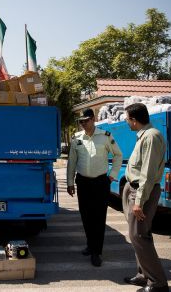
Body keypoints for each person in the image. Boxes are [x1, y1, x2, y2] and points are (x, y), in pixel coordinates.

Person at [67, 108, 122, 267]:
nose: (83, 124)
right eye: (81, 122)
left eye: (86, 121)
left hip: (100, 182)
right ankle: (90, 245)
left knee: (98, 218)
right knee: (86, 216)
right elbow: (71, 162)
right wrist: (70, 182)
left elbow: (118, 155)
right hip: (83, 182)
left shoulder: (105, 137)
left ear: (93, 119)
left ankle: (96, 252)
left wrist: (113, 175)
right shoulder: (77, 138)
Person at [122, 103, 169, 292]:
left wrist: (139, 202)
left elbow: (148, 174)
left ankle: (158, 283)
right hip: (134, 189)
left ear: (134, 120)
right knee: (137, 235)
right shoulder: (144, 136)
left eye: (127, 119)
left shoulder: (151, 137)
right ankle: (144, 275)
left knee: (139, 236)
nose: (126, 122)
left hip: (142, 193)